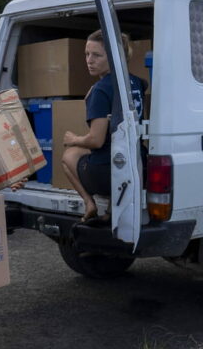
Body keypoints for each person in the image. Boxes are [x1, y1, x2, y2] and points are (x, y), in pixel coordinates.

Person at [61, 29, 146, 221]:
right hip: (138, 166)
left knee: (70, 155)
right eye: (87, 54)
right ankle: (110, 211)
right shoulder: (135, 82)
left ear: (115, 58)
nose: (89, 60)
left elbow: (96, 141)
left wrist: (74, 139)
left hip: (110, 173)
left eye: (96, 55)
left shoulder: (100, 90)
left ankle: (89, 203)